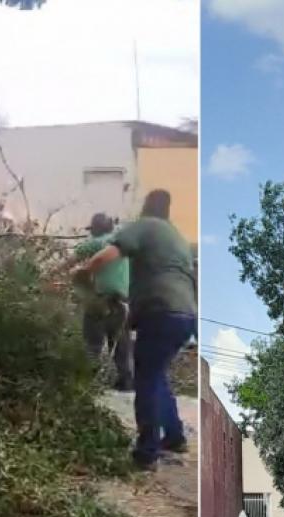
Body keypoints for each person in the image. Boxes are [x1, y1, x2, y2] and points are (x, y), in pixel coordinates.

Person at [76, 190, 195, 470]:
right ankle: (175, 436)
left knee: (146, 379)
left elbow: (109, 254)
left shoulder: (145, 225)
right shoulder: (177, 237)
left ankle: (146, 452)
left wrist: (84, 272)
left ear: (146, 206)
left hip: (160, 311)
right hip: (185, 314)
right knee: (157, 376)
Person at [68, 212, 133, 391]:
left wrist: (60, 273)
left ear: (95, 229)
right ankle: (126, 381)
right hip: (122, 302)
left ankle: (87, 380)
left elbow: (74, 257)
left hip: (102, 300)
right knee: (120, 342)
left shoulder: (99, 241)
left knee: (92, 341)